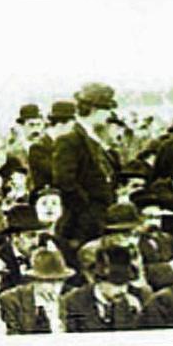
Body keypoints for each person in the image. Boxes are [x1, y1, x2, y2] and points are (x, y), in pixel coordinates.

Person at [52, 83, 118, 249]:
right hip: (81, 226)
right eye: (107, 109)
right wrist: (88, 211)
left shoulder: (93, 139)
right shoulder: (70, 140)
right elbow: (64, 181)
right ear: (94, 110)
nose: (109, 114)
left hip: (97, 221)